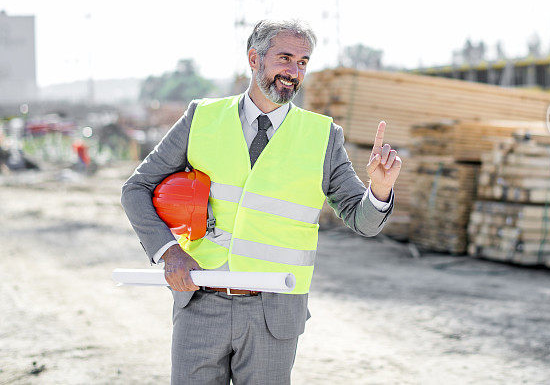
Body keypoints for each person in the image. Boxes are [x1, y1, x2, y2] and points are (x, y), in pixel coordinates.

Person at [121, 19, 402, 384]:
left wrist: (378, 189)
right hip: (201, 301)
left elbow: (362, 220)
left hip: (274, 313)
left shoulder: (323, 136)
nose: (293, 71)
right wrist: (169, 252)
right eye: (284, 58)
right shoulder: (202, 118)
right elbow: (136, 189)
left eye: (303, 62)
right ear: (254, 58)